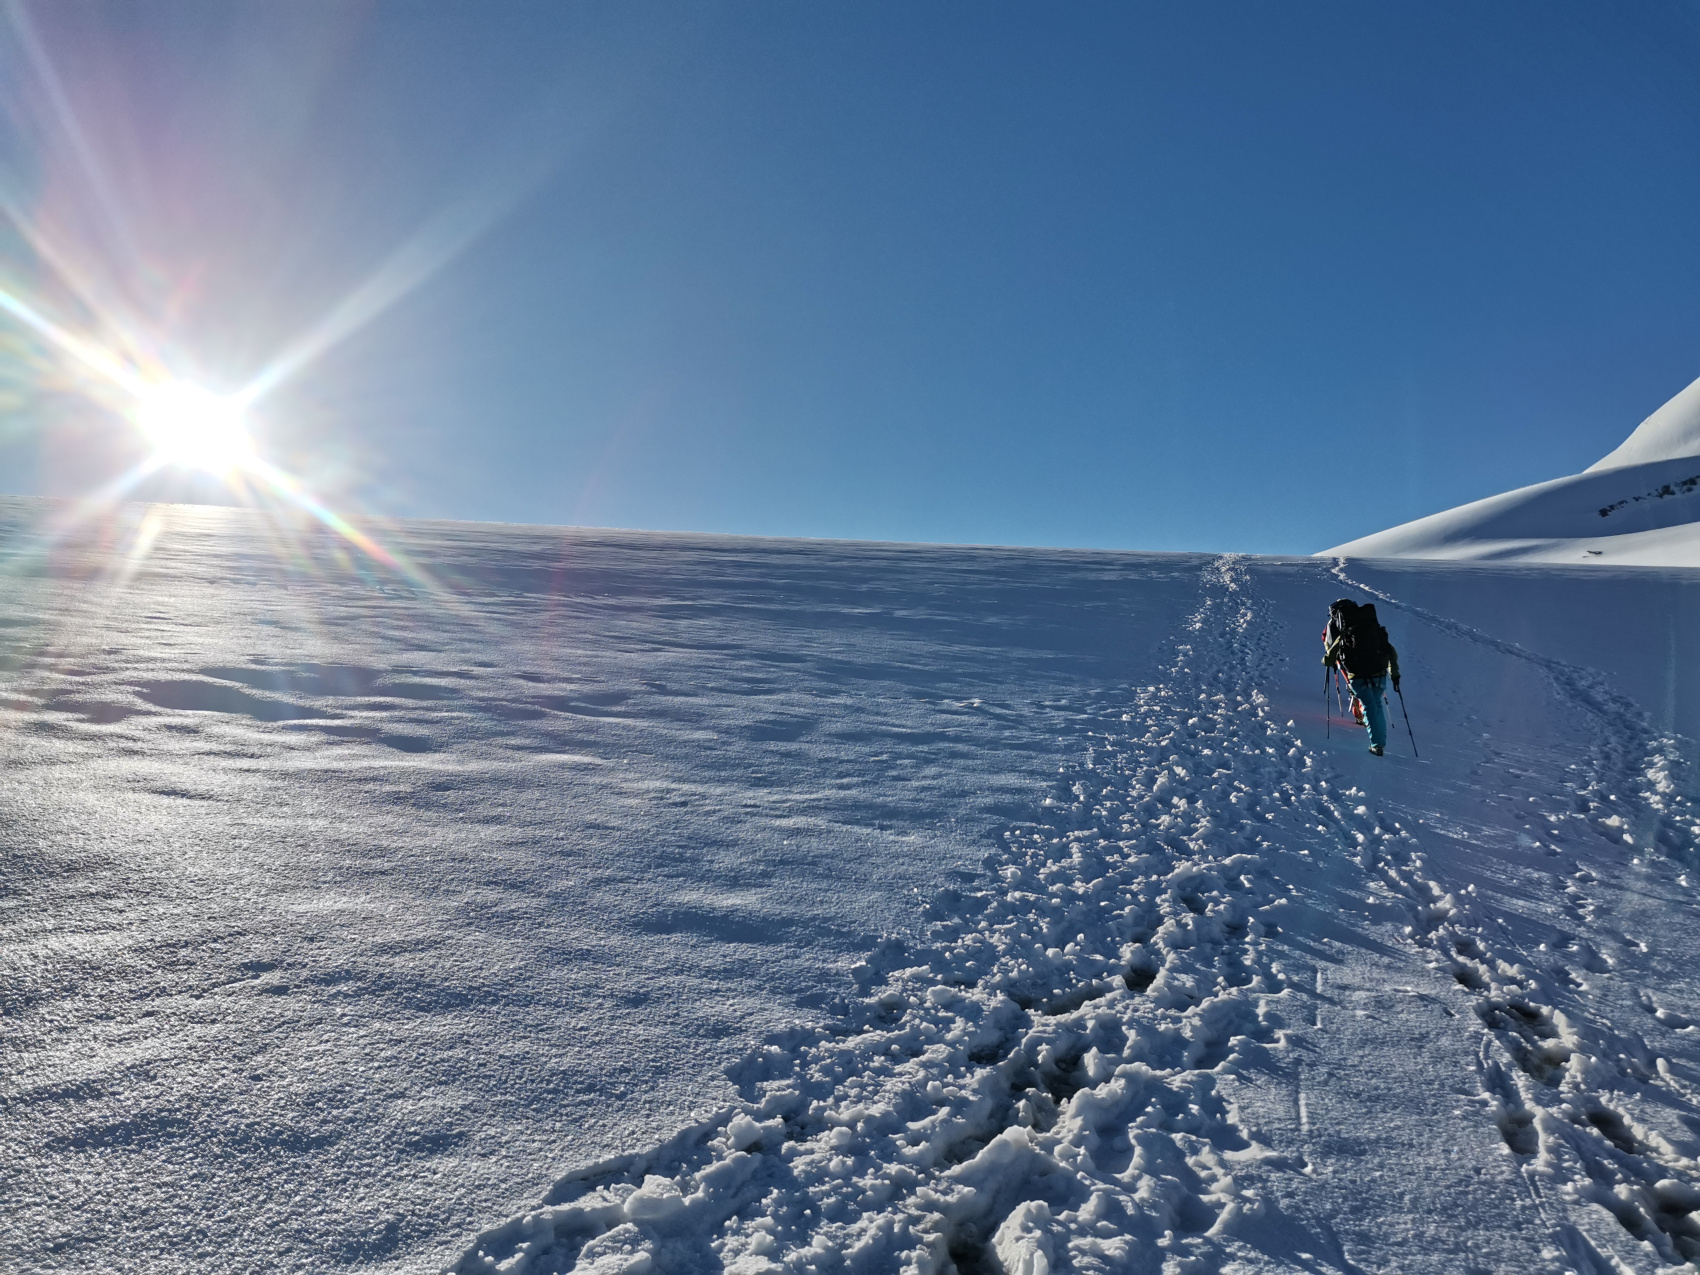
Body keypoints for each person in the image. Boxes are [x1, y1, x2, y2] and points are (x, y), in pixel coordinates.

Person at [1323, 598, 1401, 756]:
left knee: (1369, 707)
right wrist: (1395, 674)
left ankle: (1377, 745)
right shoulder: (1376, 630)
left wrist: (1327, 661)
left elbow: (1330, 655)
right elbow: (1391, 653)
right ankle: (1380, 741)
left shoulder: (1346, 633)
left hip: (1357, 675)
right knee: (1376, 706)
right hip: (1379, 673)